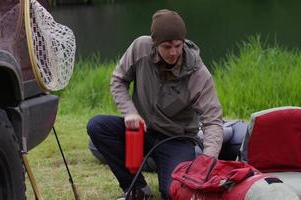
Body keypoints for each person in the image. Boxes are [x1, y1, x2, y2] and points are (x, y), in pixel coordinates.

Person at [87, 9, 223, 200]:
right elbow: (118, 81)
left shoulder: (198, 73)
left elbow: (213, 121)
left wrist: (208, 159)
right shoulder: (140, 47)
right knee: (97, 126)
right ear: (155, 43)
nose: (174, 52)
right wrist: (130, 112)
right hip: (141, 131)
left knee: (172, 193)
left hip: (176, 140)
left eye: (178, 45)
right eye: (167, 46)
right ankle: (137, 189)